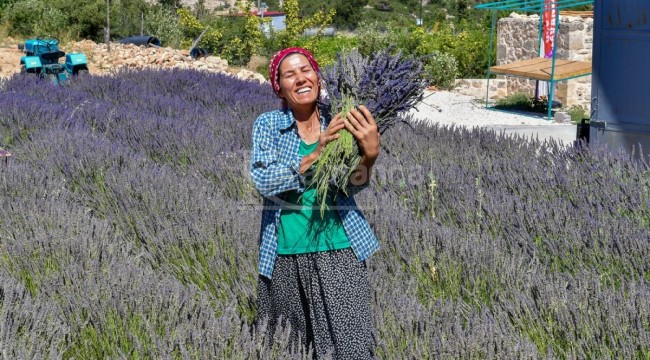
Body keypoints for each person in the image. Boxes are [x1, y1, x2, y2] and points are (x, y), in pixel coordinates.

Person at [249, 47, 381, 359]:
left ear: (317, 76)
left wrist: (370, 157)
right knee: (293, 349)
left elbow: (351, 186)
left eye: (305, 70)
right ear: (278, 86)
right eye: (289, 74)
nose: (300, 78)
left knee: (353, 349)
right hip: (285, 255)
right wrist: (315, 153)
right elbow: (264, 183)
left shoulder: (342, 119)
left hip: (340, 251)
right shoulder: (268, 125)